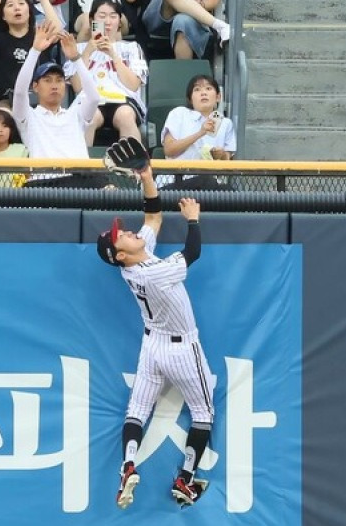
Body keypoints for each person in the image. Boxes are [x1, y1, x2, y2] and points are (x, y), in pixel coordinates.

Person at [95, 143, 214, 509]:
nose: (127, 231)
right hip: (180, 348)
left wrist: (147, 178)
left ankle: (128, 466)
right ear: (120, 255)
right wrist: (193, 218)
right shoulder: (154, 272)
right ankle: (187, 479)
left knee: (136, 411)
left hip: (152, 346)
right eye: (121, 236)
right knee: (203, 414)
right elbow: (192, 252)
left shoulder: (134, 261)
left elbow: (153, 218)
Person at [12, 20, 109, 186]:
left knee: (106, 185)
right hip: (44, 182)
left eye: (59, 80)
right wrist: (35, 51)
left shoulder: (75, 113)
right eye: (47, 80)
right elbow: (20, 92)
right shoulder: (29, 116)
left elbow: (93, 97)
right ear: (35, 86)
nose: (54, 85)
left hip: (79, 179)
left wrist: (76, 59)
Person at [68, 0, 148, 144]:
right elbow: (78, 86)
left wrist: (112, 54)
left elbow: (133, 84)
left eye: (113, 16)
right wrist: (87, 52)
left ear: (119, 22)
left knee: (125, 115)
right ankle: (81, 166)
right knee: (89, 117)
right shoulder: (78, 49)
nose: (108, 21)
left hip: (124, 100)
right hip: (89, 100)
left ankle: (134, 166)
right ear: (92, 20)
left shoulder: (132, 48)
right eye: (102, 16)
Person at [0, 0, 60, 112]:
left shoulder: (40, 35)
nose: (17, 8)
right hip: (7, 100)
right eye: (10, 5)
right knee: (4, 116)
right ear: (3, 16)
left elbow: (57, 32)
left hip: (40, 99)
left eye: (21, 4)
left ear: (29, 10)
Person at [159, 73, 235, 190]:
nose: (203, 93)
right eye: (197, 89)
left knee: (231, 193)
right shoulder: (179, 113)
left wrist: (221, 155)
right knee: (206, 181)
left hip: (211, 185)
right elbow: (169, 150)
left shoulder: (226, 123)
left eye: (208, 88)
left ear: (218, 97)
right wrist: (200, 133)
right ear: (190, 98)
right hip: (176, 182)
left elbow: (227, 161)